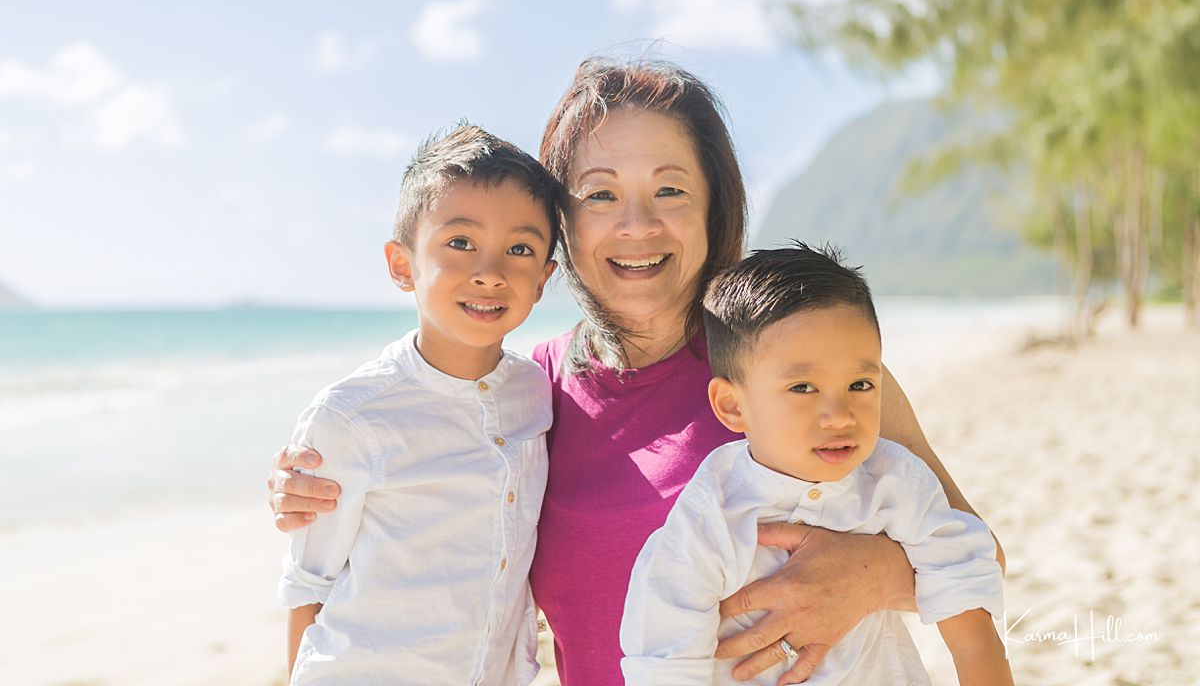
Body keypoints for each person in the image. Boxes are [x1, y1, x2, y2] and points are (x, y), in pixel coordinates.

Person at [268, 58, 1006, 686]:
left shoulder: (801, 371)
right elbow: (425, 496)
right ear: (563, 222)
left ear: (716, 207)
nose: (637, 225)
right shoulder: (532, 395)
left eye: (670, 190)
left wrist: (869, 575)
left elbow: (976, 551)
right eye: (599, 195)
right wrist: (311, 481)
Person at [620, 244, 1013, 686]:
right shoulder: (711, 512)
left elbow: (969, 608)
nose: (841, 414)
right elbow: (665, 660)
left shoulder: (895, 481)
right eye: (803, 387)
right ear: (732, 406)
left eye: (860, 384)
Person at [277, 124, 561, 685]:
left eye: (521, 249)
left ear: (544, 279)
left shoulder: (538, 395)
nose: (490, 272)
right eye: (460, 243)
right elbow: (308, 584)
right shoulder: (351, 417)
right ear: (402, 265)